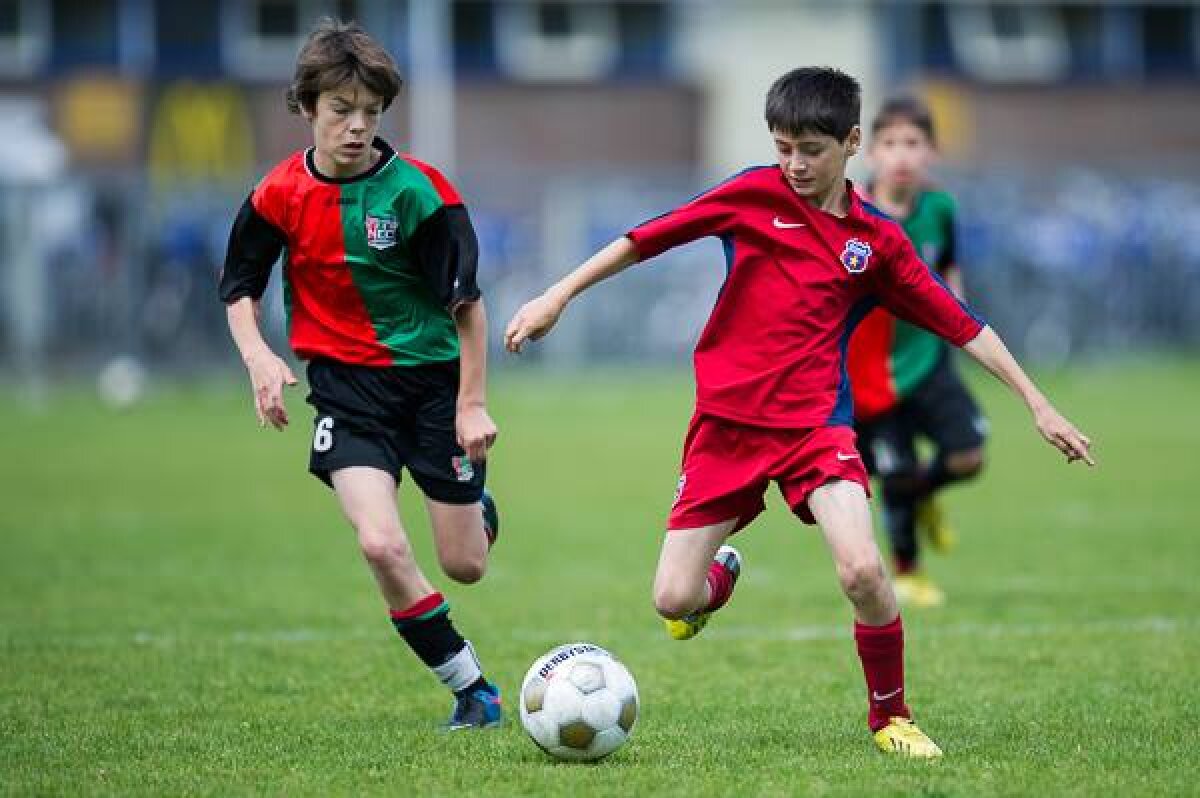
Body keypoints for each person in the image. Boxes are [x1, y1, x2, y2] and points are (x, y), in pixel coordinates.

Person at [505, 67, 1092, 758]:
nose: (793, 164)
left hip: (817, 430)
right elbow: (644, 238)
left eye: (809, 150)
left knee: (863, 572)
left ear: (850, 145)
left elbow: (962, 324)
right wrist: (557, 296)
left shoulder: (877, 244)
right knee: (672, 599)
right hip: (725, 431)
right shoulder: (753, 194)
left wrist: (1038, 403)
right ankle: (721, 571)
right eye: (782, 146)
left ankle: (891, 718)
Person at [218, 19, 503, 730]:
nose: (356, 126)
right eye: (341, 110)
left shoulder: (420, 194)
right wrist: (258, 356)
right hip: (346, 391)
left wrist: (471, 405)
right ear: (307, 107)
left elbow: (468, 308)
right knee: (379, 543)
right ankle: (473, 690)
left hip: (433, 386)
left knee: (465, 564)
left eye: (370, 113)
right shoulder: (277, 193)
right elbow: (239, 287)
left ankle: (477, 511)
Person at [846, 96, 986, 608]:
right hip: (869, 373)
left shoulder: (941, 208)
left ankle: (926, 496)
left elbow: (948, 267)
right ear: (869, 152)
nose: (901, 155)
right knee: (895, 471)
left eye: (913, 143)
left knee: (969, 457)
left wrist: (961, 321)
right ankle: (907, 572)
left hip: (927, 358)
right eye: (890, 144)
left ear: (932, 152)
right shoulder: (850, 209)